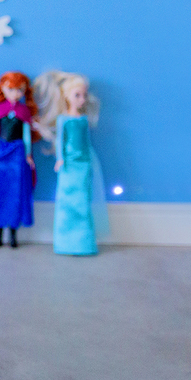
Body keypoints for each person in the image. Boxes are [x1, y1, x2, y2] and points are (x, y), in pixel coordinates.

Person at [34, 70, 108, 255]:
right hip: (68, 163)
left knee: (83, 201)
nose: (82, 99)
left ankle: (84, 242)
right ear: (67, 96)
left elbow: (87, 142)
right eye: (77, 95)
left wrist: (90, 160)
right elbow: (60, 140)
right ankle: (66, 242)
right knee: (67, 202)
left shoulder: (83, 119)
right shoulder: (63, 119)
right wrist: (60, 159)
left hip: (83, 162)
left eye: (83, 95)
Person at [0, 72, 38, 248]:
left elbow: (26, 135)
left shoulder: (24, 111)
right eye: (10, 89)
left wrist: (28, 154)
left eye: (19, 90)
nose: (15, 94)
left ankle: (13, 234)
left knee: (16, 193)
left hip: (17, 153)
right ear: (3, 89)